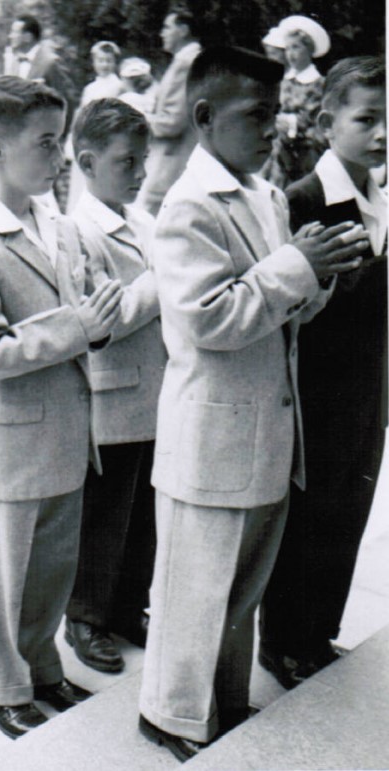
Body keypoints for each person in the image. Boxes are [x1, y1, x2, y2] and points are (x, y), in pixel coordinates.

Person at [137, 46, 369, 761]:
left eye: (275, 114)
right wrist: (296, 265)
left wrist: (317, 273)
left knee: (237, 590)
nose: (271, 130)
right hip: (210, 437)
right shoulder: (187, 207)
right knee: (194, 589)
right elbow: (208, 318)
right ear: (205, 116)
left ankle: (219, 702)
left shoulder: (264, 195)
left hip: (265, 432)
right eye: (255, 115)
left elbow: (279, 310)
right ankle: (171, 714)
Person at [0, 75, 122, 739]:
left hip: (65, 432)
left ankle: (41, 666)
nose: (61, 156)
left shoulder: (57, 226)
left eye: (60, 140)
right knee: (1, 579)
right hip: (10, 444)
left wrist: (97, 321)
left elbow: (87, 309)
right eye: (45, 143)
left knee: (50, 569)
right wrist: (77, 326)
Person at [260, 56, 387, 690]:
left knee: (350, 511)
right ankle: (283, 641)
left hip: (371, 387)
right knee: (309, 516)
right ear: (325, 123)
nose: (382, 133)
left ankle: (318, 634)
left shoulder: (380, 201)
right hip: (319, 388)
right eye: (367, 119)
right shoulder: (303, 200)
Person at [64, 99, 165, 673]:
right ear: (87, 163)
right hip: (113, 395)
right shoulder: (76, 231)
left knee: (143, 515)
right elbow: (110, 317)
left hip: (154, 390)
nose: (141, 172)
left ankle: (129, 607)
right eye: (127, 162)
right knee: (103, 515)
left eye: (144, 160)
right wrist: (164, 275)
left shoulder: (144, 222)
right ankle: (86, 616)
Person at [136, 5, 202, 217]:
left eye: (167, 27)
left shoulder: (186, 63)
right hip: (175, 158)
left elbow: (172, 122)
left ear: (183, 30)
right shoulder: (187, 60)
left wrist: (138, 119)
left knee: (152, 217)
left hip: (172, 160)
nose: (162, 33)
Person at [262, 15, 330, 189]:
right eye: (288, 48)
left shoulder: (319, 84)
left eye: (296, 47)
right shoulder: (284, 81)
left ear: (309, 50)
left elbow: (313, 121)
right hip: (277, 149)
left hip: (304, 153)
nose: (290, 54)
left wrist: (288, 123)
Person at [65, 41, 123, 212]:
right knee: (81, 179)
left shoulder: (118, 87)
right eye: (100, 60)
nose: (104, 65)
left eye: (109, 61)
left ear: (115, 63)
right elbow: (81, 113)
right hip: (87, 138)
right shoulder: (90, 88)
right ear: (94, 62)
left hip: (105, 138)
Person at [4, 14, 77, 124]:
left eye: (14, 32)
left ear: (27, 37)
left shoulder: (50, 63)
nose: (10, 36)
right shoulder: (14, 63)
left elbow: (67, 101)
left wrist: (60, 133)